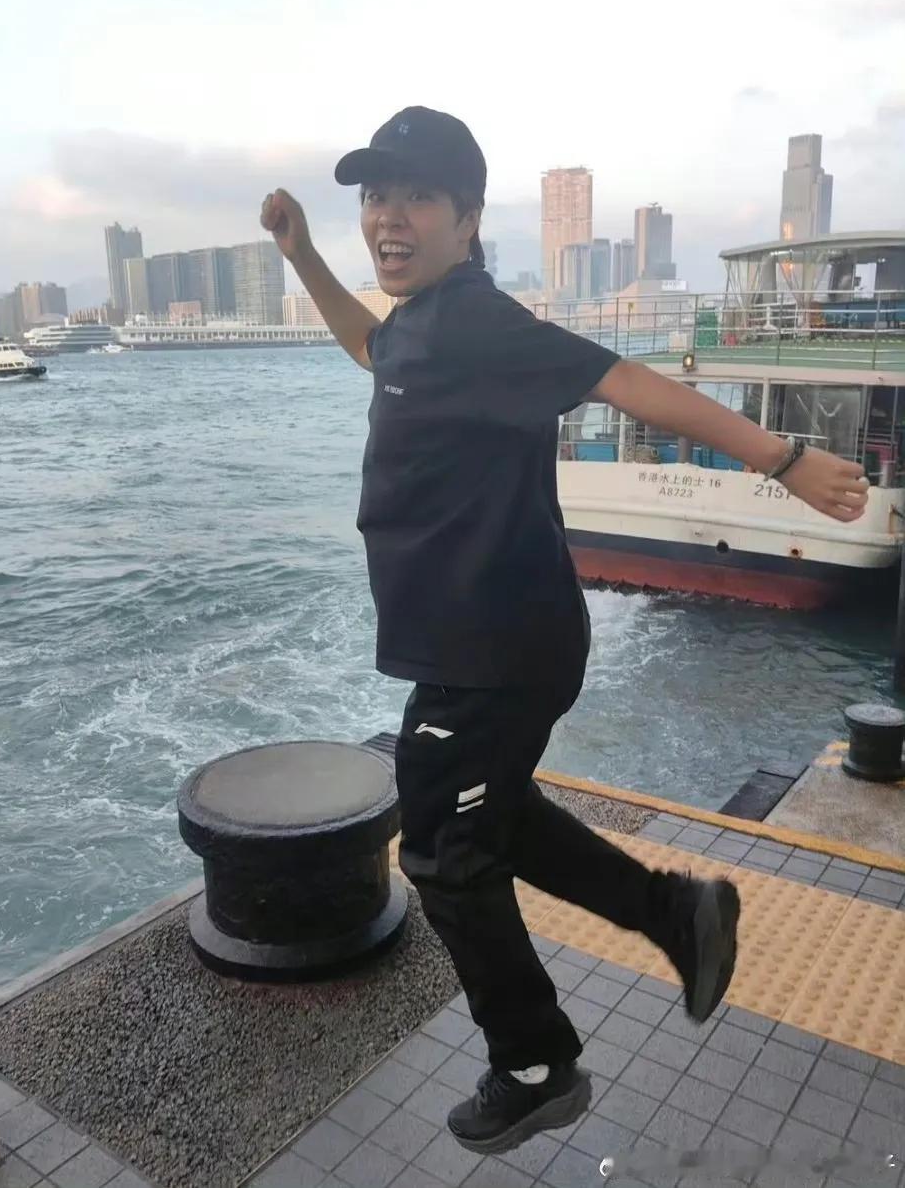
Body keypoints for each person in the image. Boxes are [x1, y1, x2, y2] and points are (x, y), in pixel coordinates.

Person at [260, 107, 870, 1155]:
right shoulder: (419, 320)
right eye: (374, 197)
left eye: (415, 197)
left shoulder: (475, 321)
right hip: (480, 638)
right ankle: (679, 915)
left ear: (466, 219)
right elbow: (369, 345)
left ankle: (535, 1062)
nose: (388, 217)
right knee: (490, 815)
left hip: (495, 646)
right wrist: (302, 252)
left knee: (443, 853)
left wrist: (783, 462)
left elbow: (623, 381)